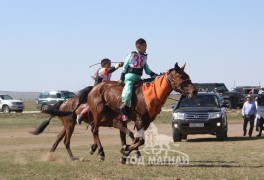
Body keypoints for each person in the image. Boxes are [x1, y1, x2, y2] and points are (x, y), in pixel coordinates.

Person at [119, 38, 158, 119]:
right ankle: (124, 110)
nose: (146, 47)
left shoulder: (144, 57)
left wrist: (154, 75)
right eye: (145, 46)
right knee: (128, 91)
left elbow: (147, 70)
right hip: (129, 78)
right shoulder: (131, 55)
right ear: (138, 46)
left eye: (146, 46)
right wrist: (121, 78)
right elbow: (125, 67)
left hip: (138, 79)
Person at [76, 58, 123, 124]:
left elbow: (110, 72)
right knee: (95, 104)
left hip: (105, 90)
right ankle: (81, 114)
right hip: (98, 91)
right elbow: (109, 70)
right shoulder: (102, 70)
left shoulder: (108, 70)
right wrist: (118, 65)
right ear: (105, 64)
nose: (110, 64)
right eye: (109, 63)